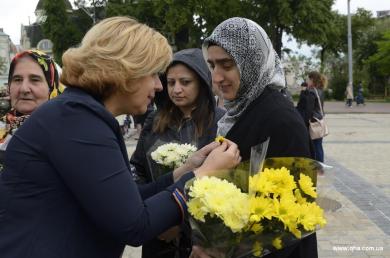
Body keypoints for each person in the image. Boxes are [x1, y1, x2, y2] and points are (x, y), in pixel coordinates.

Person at [0, 17, 241, 258]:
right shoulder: (78, 120)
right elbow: (135, 225)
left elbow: (124, 201)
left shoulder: (79, 114)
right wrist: (202, 176)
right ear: (127, 71)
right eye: (154, 74)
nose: (159, 86)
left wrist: (184, 172)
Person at [192, 17, 317, 258]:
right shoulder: (240, 110)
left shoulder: (280, 120)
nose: (216, 77)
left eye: (226, 65)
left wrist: (227, 249)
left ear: (252, 62)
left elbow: (291, 218)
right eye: (212, 65)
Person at [130, 48, 225, 258]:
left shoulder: (221, 122)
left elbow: (225, 184)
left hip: (201, 238)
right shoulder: (154, 120)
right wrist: (156, 214)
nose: (176, 89)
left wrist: (180, 223)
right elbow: (138, 169)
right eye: (171, 83)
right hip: (157, 233)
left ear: (201, 81)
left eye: (185, 82)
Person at [0, 50, 63, 164]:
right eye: (17, 80)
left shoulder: (67, 133)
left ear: (52, 86)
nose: (24, 89)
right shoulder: (2, 127)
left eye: (35, 80)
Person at [297, 71, 327, 163]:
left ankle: (318, 167)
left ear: (312, 80)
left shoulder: (311, 92)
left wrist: (303, 92)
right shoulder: (320, 91)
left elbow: (307, 110)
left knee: (314, 146)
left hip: (313, 123)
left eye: (308, 79)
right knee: (318, 145)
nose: (307, 81)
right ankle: (320, 166)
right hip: (319, 121)